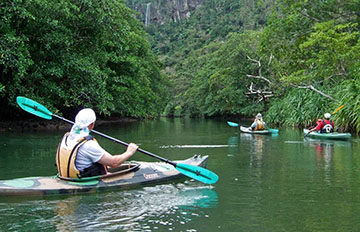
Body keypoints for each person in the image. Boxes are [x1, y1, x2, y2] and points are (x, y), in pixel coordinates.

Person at [56, 108, 138, 179]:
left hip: (67, 177)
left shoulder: (67, 137)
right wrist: (129, 152)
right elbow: (114, 162)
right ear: (92, 124)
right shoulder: (88, 145)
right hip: (83, 180)